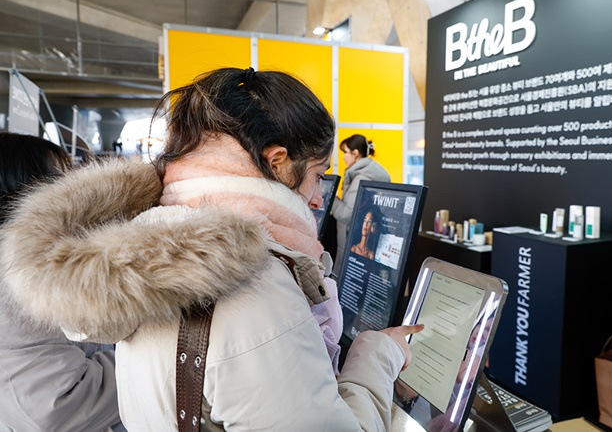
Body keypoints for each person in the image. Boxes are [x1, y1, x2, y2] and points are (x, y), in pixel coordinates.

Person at [0, 68, 423, 430]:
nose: (318, 197)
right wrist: (376, 355)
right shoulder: (256, 288)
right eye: (317, 174)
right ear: (277, 161)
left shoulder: (144, 252)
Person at [0, 132, 123, 431]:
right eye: (59, 179)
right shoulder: (17, 265)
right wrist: (156, 357)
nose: (75, 188)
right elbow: (55, 404)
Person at [332, 134, 390, 273]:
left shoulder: (360, 179)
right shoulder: (368, 175)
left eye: (345, 152)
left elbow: (347, 214)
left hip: (353, 240)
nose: (343, 157)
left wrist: (331, 198)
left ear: (355, 153)